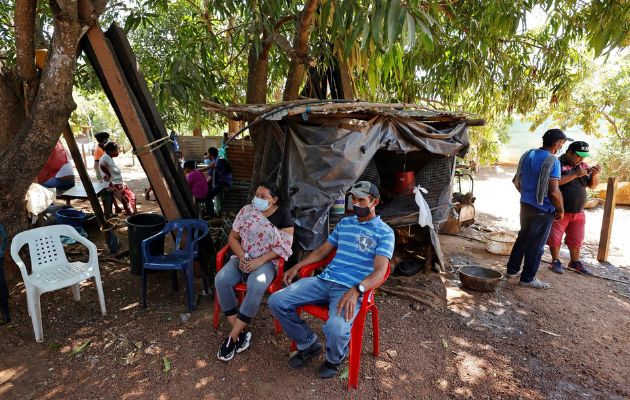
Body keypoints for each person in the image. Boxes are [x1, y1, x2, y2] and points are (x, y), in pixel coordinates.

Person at [268, 181, 394, 379]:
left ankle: (335, 359)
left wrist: (357, 289)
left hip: (351, 289)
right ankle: (308, 343)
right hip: (325, 280)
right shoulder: (345, 224)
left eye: (361, 200)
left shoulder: (384, 232)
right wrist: (297, 266)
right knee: (277, 300)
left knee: (336, 327)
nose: (355, 204)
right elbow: (322, 251)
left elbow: (380, 271)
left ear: (374, 202)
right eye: (353, 199)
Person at [215, 182, 294, 362]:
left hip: (267, 261)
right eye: (257, 195)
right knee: (221, 280)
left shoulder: (283, 215)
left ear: (274, 200)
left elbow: (285, 246)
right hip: (243, 257)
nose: (257, 199)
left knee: (256, 283)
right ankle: (241, 333)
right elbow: (233, 238)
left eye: (263, 197)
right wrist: (242, 256)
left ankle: (231, 338)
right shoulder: (247, 211)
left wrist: (260, 260)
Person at [507, 128, 568, 289]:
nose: (562, 146)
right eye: (562, 143)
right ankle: (527, 279)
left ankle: (511, 270)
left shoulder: (528, 155)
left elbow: (516, 181)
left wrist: (527, 196)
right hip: (542, 210)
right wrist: (560, 210)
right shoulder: (552, 161)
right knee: (536, 245)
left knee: (523, 238)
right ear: (557, 143)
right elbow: (554, 191)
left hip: (525, 205)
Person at [546, 141, 600, 275]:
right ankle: (555, 261)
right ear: (569, 152)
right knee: (555, 237)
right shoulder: (557, 163)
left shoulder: (583, 166)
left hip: (578, 212)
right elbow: (554, 183)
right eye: (578, 155)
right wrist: (575, 173)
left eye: (583, 156)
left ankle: (575, 262)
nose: (581, 159)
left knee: (576, 239)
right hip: (560, 211)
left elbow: (592, 186)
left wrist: (594, 175)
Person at [99, 142, 137, 215]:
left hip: (117, 183)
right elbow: (102, 165)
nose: (118, 152)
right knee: (127, 199)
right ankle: (131, 214)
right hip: (113, 184)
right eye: (116, 150)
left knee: (130, 197)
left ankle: (131, 213)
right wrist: (108, 175)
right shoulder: (105, 157)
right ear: (110, 151)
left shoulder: (108, 157)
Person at [199, 147, 233, 215]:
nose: (207, 154)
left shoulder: (219, 161)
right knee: (206, 193)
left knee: (208, 196)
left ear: (210, 154)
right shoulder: (216, 160)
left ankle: (210, 214)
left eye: (207, 153)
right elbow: (210, 174)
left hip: (223, 183)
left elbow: (220, 175)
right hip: (219, 182)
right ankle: (210, 212)